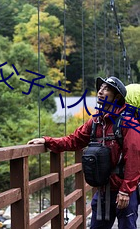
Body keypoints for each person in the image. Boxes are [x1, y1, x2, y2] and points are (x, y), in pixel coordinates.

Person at [27, 76, 140, 229]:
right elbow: (74, 140)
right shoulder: (95, 121)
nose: (100, 91)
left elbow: (134, 157)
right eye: (100, 88)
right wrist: (48, 141)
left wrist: (126, 191)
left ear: (117, 96)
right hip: (103, 190)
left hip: (123, 190)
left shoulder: (128, 122)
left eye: (106, 89)